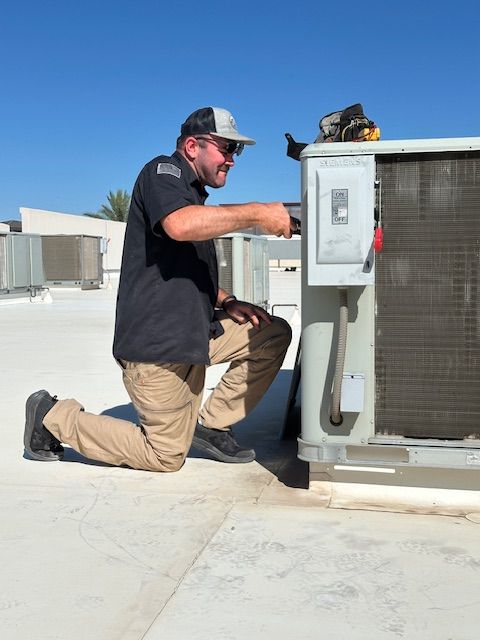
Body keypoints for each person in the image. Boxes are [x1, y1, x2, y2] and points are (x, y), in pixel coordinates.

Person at [23, 106, 294, 472]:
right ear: (192, 146)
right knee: (165, 456)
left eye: (236, 151)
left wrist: (226, 300)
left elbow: (181, 264)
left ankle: (211, 426)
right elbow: (179, 226)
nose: (231, 159)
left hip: (194, 336)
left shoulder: (192, 195)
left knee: (271, 332)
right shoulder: (161, 173)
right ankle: (52, 416)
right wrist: (258, 213)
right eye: (226, 148)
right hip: (157, 351)